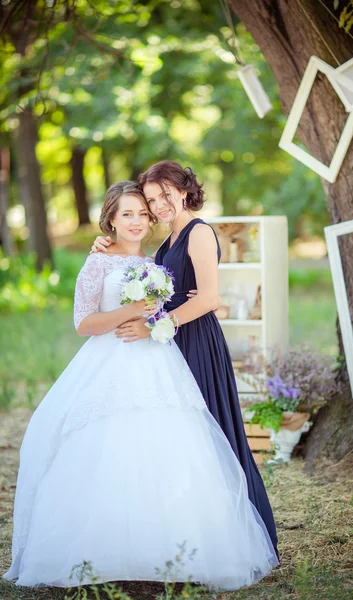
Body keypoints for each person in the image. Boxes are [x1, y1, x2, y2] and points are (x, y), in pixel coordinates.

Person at [3, 181, 278, 590]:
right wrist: (131, 310)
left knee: (170, 446)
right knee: (109, 447)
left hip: (159, 363)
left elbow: (173, 305)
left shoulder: (156, 262)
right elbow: (83, 323)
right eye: (126, 214)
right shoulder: (97, 262)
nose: (136, 221)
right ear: (110, 219)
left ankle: (169, 545)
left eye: (142, 214)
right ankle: (102, 548)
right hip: (110, 365)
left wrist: (151, 320)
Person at [91, 161, 279, 556]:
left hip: (196, 342)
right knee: (183, 440)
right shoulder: (165, 243)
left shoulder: (199, 232)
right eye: (152, 199)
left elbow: (210, 299)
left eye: (165, 195)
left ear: (184, 189)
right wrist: (102, 244)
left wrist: (153, 326)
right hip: (171, 342)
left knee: (213, 434)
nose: (159, 205)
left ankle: (238, 532)